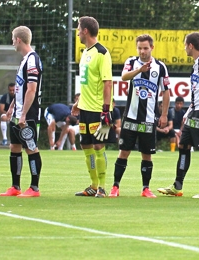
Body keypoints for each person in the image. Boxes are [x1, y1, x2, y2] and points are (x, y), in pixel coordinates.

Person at [158, 32, 199, 199]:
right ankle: (177, 186)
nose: (184, 48)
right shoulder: (195, 65)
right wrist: (188, 111)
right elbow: (196, 93)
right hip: (195, 111)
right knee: (183, 146)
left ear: (191, 45)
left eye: (185, 45)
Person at [110, 34, 170, 198]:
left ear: (152, 48)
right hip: (130, 116)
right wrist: (139, 70)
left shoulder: (160, 67)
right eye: (140, 48)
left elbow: (166, 92)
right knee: (124, 152)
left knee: (147, 154)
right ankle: (115, 187)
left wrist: (164, 114)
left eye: (145, 48)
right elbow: (124, 77)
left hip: (149, 119)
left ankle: (145, 188)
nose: (142, 51)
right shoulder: (131, 62)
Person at [71, 16, 113, 198]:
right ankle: (93, 186)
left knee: (98, 146)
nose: (78, 32)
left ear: (86, 31)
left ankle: (103, 187)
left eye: (79, 29)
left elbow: (107, 83)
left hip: (97, 109)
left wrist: (105, 110)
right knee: (85, 145)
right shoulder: (85, 53)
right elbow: (86, 82)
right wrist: (78, 103)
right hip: (85, 108)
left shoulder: (102, 53)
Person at [0, 26, 44, 197]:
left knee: (31, 148)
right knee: (14, 147)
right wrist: (12, 108)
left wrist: (24, 113)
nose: (12, 43)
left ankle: (34, 187)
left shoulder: (33, 60)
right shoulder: (24, 60)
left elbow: (31, 89)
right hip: (17, 114)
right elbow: (20, 88)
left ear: (18, 39)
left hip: (28, 114)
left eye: (13, 39)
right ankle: (15, 186)